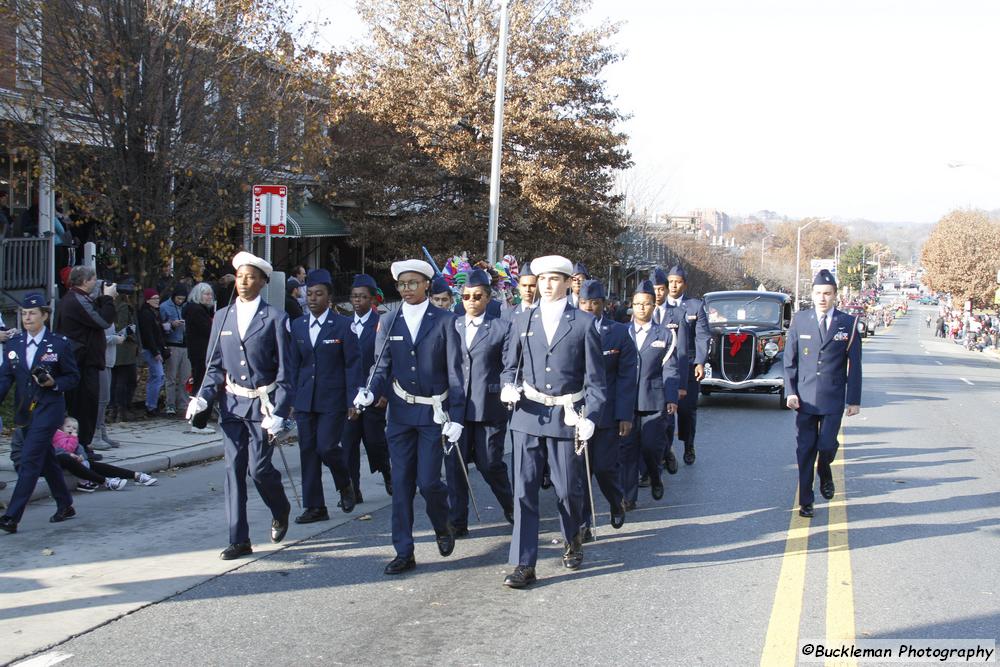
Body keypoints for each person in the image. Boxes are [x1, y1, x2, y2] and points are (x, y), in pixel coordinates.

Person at [499, 255, 607, 589]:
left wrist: (591, 416)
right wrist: (507, 387)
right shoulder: (522, 320)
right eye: (541, 279)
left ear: (567, 283)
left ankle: (572, 537)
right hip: (528, 415)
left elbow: (596, 381)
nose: (546, 285)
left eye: (554, 279)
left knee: (567, 490)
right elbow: (509, 364)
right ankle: (524, 563)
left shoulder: (583, 323)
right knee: (524, 492)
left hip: (566, 416)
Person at [353, 258, 465, 575]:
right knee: (401, 484)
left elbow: (456, 373)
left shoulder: (445, 320)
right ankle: (404, 550)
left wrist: (456, 416)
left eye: (413, 283)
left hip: (434, 413)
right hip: (401, 414)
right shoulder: (389, 321)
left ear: (427, 284)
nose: (407, 289)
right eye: (402, 284)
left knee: (429, 482)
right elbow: (381, 365)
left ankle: (442, 523)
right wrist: (370, 392)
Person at [186, 252, 292, 560]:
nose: (244, 282)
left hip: (263, 405)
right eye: (241, 276)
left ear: (262, 282)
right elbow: (213, 365)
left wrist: (281, 412)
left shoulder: (275, 318)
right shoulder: (222, 316)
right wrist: (203, 395)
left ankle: (280, 508)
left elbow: (287, 372)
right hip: (232, 403)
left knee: (259, 470)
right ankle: (238, 538)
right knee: (233, 470)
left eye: (251, 277)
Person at [784, 269, 862, 518]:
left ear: (835, 296)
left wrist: (854, 400)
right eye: (818, 293)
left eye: (827, 294)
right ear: (812, 294)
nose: (822, 298)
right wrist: (789, 392)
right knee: (805, 450)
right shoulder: (800, 320)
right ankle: (806, 501)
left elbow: (855, 365)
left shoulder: (847, 324)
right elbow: (789, 361)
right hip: (804, 399)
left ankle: (825, 469)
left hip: (832, 398)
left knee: (826, 446)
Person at [0, 294, 80, 534]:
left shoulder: (59, 343)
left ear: (45, 315)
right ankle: (65, 504)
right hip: (26, 411)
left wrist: (54, 383)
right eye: (24, 313)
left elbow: (73, 377)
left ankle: (12, 516)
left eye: (33, 313)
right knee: (45, 457)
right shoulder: (14, 344)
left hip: (49, 408)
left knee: (30, 459)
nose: (27, 318)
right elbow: (5, 378)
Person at [446, 268, 515, 537]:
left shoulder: (501, 328)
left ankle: (510, 506)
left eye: (477, 296)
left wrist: (507, 388)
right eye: (466, 296)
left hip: (488, 407)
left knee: (490, 464)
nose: (471, 301)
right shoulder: (452, 325)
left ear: (487, 298)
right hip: (457, 409)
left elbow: (509, 366)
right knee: (455, 466)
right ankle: (458, 521)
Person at [289, 269, 361, 524]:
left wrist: (353, 398)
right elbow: (293, 365)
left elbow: (353, 364)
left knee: (327, 447)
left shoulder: (343, 325)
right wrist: (290, 400)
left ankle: (345, 483)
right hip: (306, 399)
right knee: (308, 451)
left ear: (329, 298)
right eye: (309, 294)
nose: (312, 299)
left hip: (333, 398)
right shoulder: (297, 325)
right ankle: (315, 506)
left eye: (318, 294)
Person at [576, 279, 635, 534]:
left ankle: (615, 502)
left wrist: (624, 414)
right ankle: (583, 524)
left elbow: (626, 377)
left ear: (605, 305)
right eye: (584, 303)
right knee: (580, 474)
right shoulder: (569, 330)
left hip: (607, 414)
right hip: (576, 413)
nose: (589, 308)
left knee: (603, 467)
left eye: (595, 303)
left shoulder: (619, 333)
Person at [621, 281, 683, 508]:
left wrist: (671, 398)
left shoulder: (665, 335)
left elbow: (670, 368)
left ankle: (655, 476)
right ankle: (628, 497)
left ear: (652, 307)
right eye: (637, 304)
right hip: (627, 402)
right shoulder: (622, 332)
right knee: (627, 450)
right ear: (632, 305)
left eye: (646, 304)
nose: (641, 308)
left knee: (650, 447)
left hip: (653, 401)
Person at [54, 266, 118, 459]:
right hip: (80, 362)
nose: (96, 283)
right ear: (84, 281)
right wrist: (107, 299)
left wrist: (101, 299)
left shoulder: (76, 299)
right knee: (83, 405)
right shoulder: (75, 300)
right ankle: (79, 446)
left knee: (86, 404)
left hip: (83, 360)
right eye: (94, 279)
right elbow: (101, 320)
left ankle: (81, 445)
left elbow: (91, 314)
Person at [341, 274, 391, 504]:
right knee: (349, 444)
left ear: (372, 300)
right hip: (350, 396)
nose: (357, 301)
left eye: (362, 297)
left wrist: (385, 393)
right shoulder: (343, 324)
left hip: (374, 394)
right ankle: (353, 490)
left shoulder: (382, 322)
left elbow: (389, 360)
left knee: (374, 441)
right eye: (354, 296)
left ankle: (387, 471)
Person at [655, 265, 709, 471]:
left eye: (678, 281)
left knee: (686, 411)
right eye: (670, 281)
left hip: (687, 365)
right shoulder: (658, 306)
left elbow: (703, 336)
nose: (674, 285)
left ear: (684, 284)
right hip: (664, 367)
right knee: (664, 413)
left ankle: (688, 444)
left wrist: (700, 361)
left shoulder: (694, 306)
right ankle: (665, 450)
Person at [52, 417, 157, 490]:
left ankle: (135, 475)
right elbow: (55, 449)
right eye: (68, 427)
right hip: (53, 460)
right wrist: (70, 454)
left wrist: (81, 456)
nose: (71, 430)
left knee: (91, 464)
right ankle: (106, 482)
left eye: (74, 428)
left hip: (70, 460)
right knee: (70, 460)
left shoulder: (72, 438)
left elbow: (79, 449)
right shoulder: (55, 435)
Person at [183, 282, 217, 434]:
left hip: (200, 353)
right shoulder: (196, 311)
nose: (209, 297)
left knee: (201, 385)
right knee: (203, 387)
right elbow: (209, 331)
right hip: (202, 354)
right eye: (206, 294)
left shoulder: (200, 310)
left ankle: (198, 421)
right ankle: (198, 422)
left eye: (210, 294)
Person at [110, 280, 139, 423]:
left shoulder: (117, 305)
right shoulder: (123, 307)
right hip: (124, 350)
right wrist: (130, 332)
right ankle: (120, 410)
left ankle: (116, 410)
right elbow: (121, 328)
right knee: (125, 381)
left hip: (121, 350)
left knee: (118, 381)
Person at [159, 284, 190, 416]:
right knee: (171, 377)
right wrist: (171, 324)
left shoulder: (187, 306)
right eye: (178, 298)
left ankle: (183, 404)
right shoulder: (164, 307)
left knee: (185, 377)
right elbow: (160, 326)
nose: (180, 301)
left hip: (186, 344)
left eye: (182, 299)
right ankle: (170, 404)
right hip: (172, 343)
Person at [138, 288, 167, 418]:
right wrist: (156, 352)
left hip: (155, 348)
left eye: (157, 298)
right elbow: (148, 335)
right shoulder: (146, 314)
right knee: (158, 376)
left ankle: (151, 404)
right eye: (154, 298)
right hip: (150, 349)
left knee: (156, 377)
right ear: (148, 300)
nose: (157, 301)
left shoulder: (154, 313)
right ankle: (151, 406)